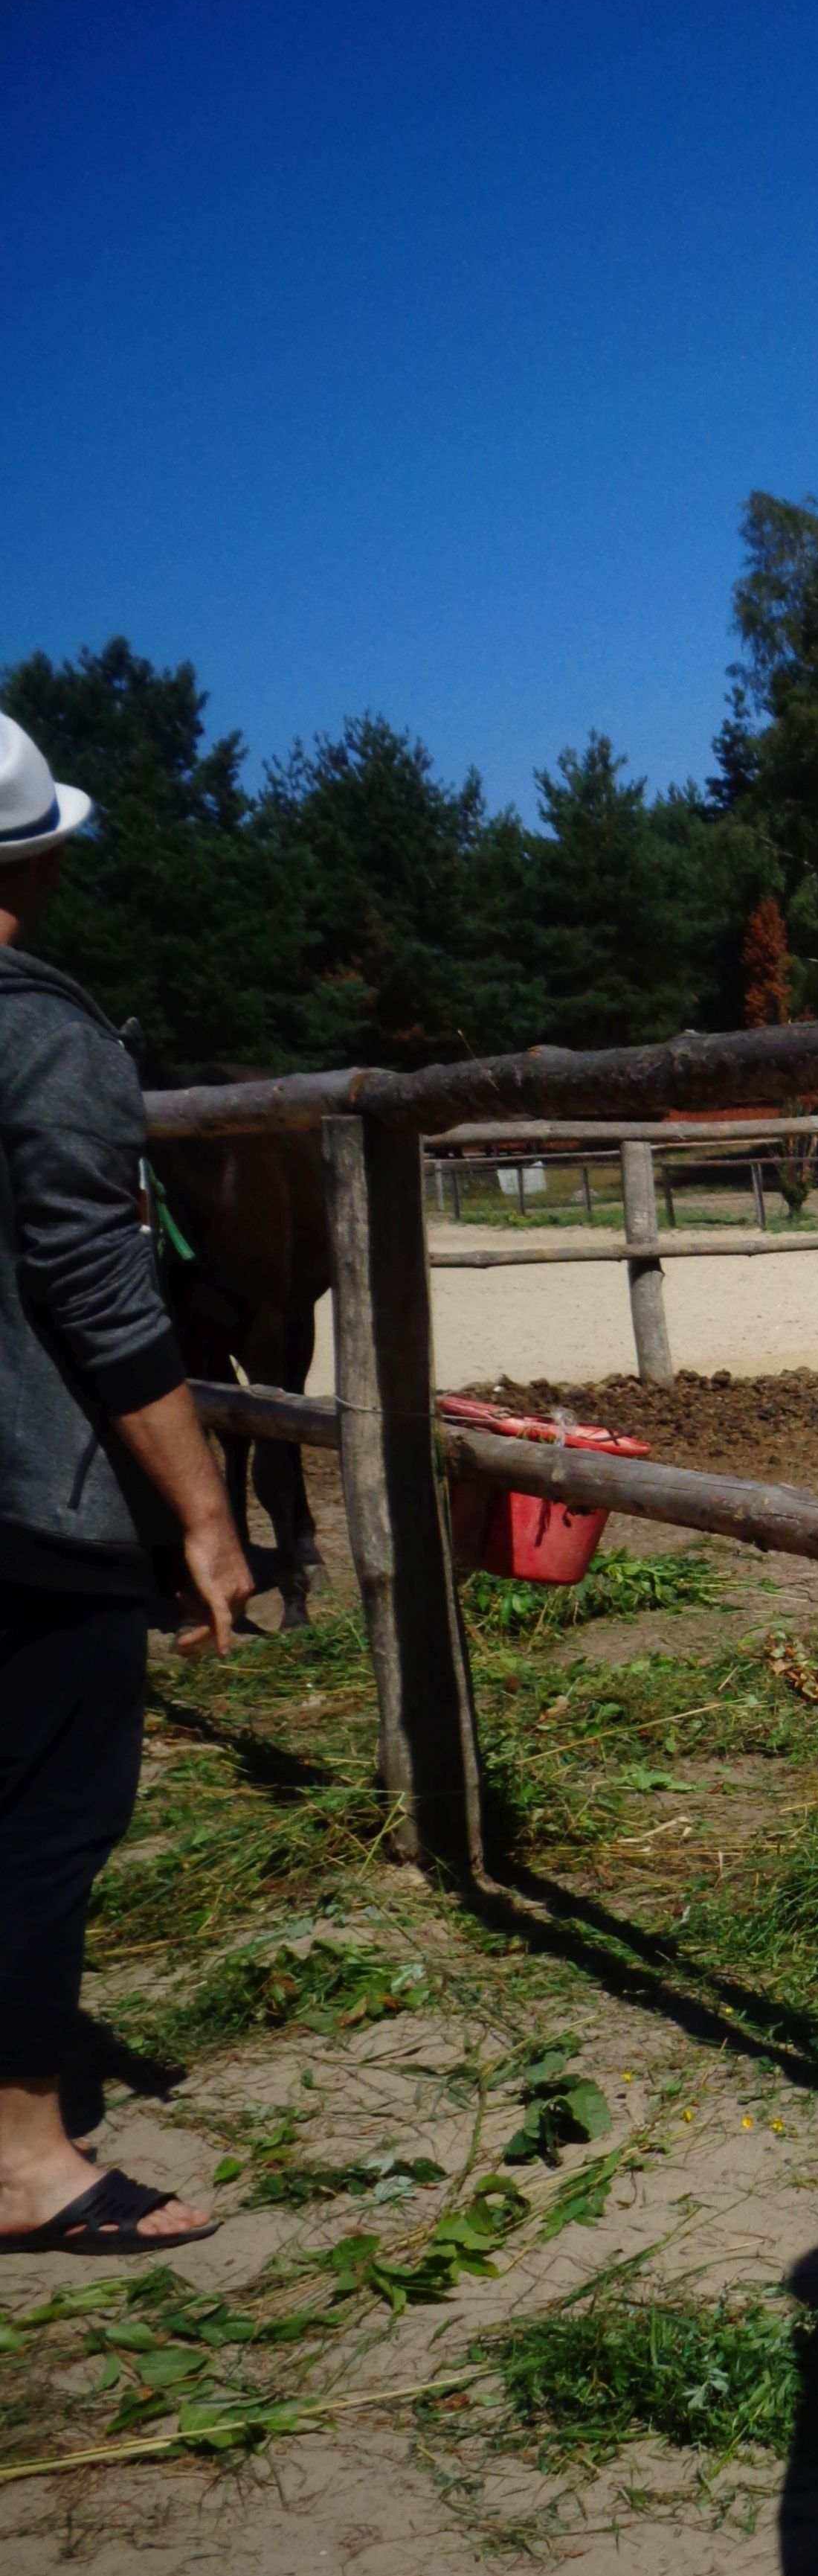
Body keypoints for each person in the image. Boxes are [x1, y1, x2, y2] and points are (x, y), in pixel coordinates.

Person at [0, 713, 254, 2258]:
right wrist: (206, 1512)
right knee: (48, 1809)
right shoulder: (41, 1032)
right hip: (28, 1497)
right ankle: (26, 2155)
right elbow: (95, 1284)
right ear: (35, 861)